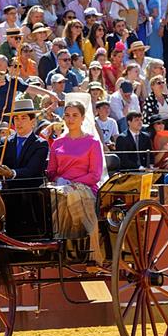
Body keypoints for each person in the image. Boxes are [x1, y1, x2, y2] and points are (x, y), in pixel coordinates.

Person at [44, 99, 105, 262]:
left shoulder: (92, 142)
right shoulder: (57, 143)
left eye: (75, 115)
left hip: (86, 187)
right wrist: (59, 180)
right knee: (48, 197)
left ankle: (80, 247)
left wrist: (72, 183)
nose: (70, 119)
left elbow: (95, 175)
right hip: (60, 186)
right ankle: (53, 244)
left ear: (83, 118)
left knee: (70, 196)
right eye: (67, 115)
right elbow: (51, 172)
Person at [0, 99, 49, 190]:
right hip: (8, 193)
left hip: (32, 194)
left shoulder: (41, 144)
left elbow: (32, 170)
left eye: (23, 118)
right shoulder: (4, 142)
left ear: (32, 121)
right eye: (16, 118)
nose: (19, 122)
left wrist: (11, 173)